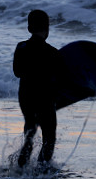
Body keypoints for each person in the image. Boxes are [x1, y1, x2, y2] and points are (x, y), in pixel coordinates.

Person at [13, 9, 63, 167]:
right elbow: (61, 79)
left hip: (25, 97)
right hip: (45, 99)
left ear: (29, 28)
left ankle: (20, 169)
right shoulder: (53, 53)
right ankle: (41, 171)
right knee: (49, 138)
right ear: (47, 29)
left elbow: (17, 72)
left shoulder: (21, 47)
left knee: (29, 134)